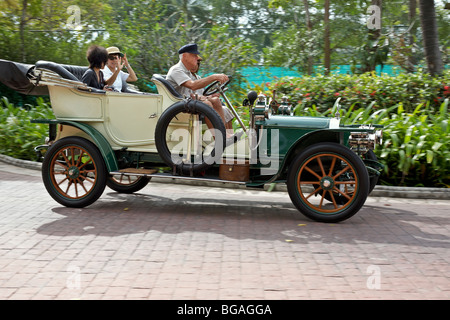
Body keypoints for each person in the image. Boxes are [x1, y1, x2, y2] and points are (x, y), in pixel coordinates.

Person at [167, 43, 242, 143]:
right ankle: (219, 139)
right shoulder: (176, 70)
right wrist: (214, 77)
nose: (197, 58)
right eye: (194, 56)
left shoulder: (188, 72)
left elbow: (196, 92)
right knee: (207, 104)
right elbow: (193, 85)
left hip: (188, 102)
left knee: (215, 100)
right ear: (184, 56)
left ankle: (224, 135)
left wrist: (210, 96)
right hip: (177, 105)